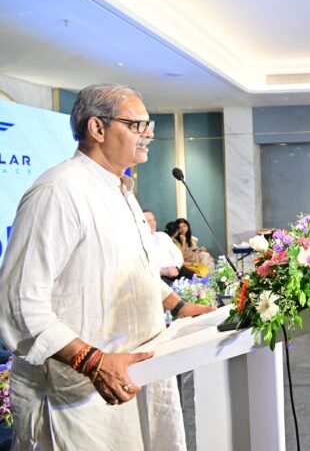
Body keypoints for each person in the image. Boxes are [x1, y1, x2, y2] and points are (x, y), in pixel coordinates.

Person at [0, 83, 214, 449]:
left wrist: (178, 306)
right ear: (97, 128)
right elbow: (19, 302)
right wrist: (93, 362)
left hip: (135, 376)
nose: (148, 134)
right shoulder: (58, 191)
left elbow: (132, 268)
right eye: (136, 124)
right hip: (79, 398)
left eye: (149, 125)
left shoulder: (120, 190)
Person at [143, 210, 195, 285]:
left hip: (176, 269)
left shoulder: (162, 235)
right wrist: (164, 271)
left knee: (197, 281)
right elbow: (143, 267)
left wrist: (176, 267)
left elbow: (177, 254)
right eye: (149, 220)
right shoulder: (138, 243)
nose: (153, 223)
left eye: (154, 219)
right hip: (159, 275)